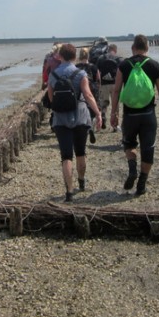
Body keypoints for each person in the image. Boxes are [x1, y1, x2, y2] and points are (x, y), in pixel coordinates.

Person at [110, 34, 159, 197]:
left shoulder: (124, 65)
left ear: (133, 48)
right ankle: (141, 184)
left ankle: (132, 169)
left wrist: (113, 113)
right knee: (148, 148)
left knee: (129, 145)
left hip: (130, 115)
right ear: (147, 48)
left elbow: (116, 90)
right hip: (148, 114)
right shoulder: (154, 65)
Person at [47, 43, 102, 202]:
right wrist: (98, 113)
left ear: (61, 56)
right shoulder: (81, 73)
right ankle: (81, 181)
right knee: (80, 152)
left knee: (66, 156)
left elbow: (51, 97)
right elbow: (88, 95)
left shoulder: (54, 74)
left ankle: (69, 191)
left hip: (61, 119)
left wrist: (58, 108)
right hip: (80, 116)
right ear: (75, 57)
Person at [76, 46, 101, 144]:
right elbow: (98, 79)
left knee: (82, 108)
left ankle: (84, 126)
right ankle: (90, 126)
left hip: (80, 91)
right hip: (92, 90)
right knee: (92, 110)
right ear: (88, 56)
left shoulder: (76, 67)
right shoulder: (93, 67)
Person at [95, 43, 121, 130]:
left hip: (104, 84)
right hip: (115, 84)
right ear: (115, 50)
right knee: (115, 105)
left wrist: (98, 82)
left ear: (108, 49)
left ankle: (103, 116)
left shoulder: (101, 58)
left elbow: (97, 71)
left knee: (103, 103)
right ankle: (115, 125)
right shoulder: (117, 59)